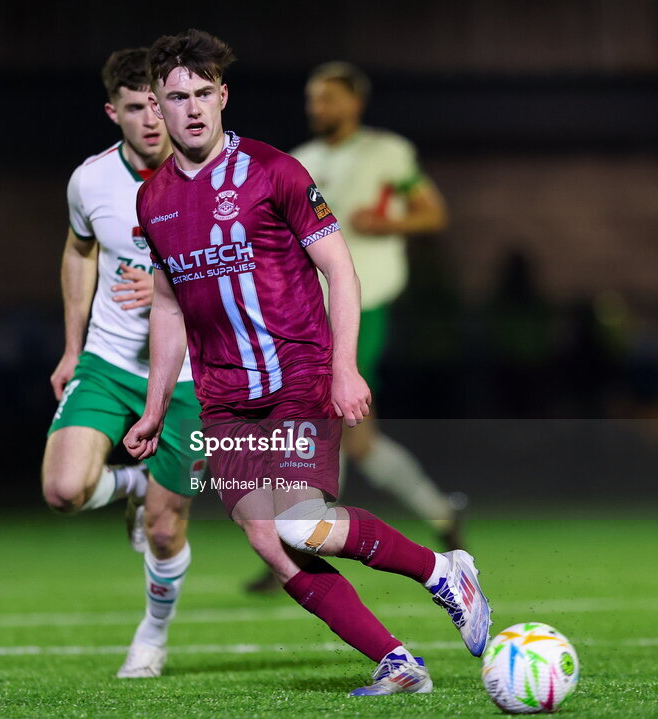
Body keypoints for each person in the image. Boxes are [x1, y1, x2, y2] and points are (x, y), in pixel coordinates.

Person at [124, 29, 492, 696]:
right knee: (268, 538)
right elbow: (170, 307)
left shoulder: (273, 171)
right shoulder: (153, 201)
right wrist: (155, 407)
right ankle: (397, 662)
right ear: (158, 105)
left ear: (224, 95)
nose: (194, 108)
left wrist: (344, 367)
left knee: (300, 520)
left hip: (296, 372)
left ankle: (443, 570)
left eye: (205, 93)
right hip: (224, 397)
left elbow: (340, 271)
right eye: (178, 97)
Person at [244, 61, 465, 594]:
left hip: (366, 305)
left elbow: (434, 214)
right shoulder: (300, 160)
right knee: (358, 439)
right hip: (309, 314)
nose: (317, 108)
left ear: (354, 103)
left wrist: (389, 223)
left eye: (328, 99)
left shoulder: (388, 153)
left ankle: (298, 542)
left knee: (328, 420)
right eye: (312, 99)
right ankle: (440, 512)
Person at [40, 48, 205, 679]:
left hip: (190, 376)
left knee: (165, 533)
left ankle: (152, 637)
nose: (152, 120)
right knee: (62, 491)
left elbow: (243, 275)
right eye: (135, 108)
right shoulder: (90, 181)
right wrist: (71, 345)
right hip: (110, 363)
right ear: (115, 112)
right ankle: (132, 483)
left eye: (158, 104)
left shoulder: (208, 179)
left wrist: (172, 290)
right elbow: (80, 251)